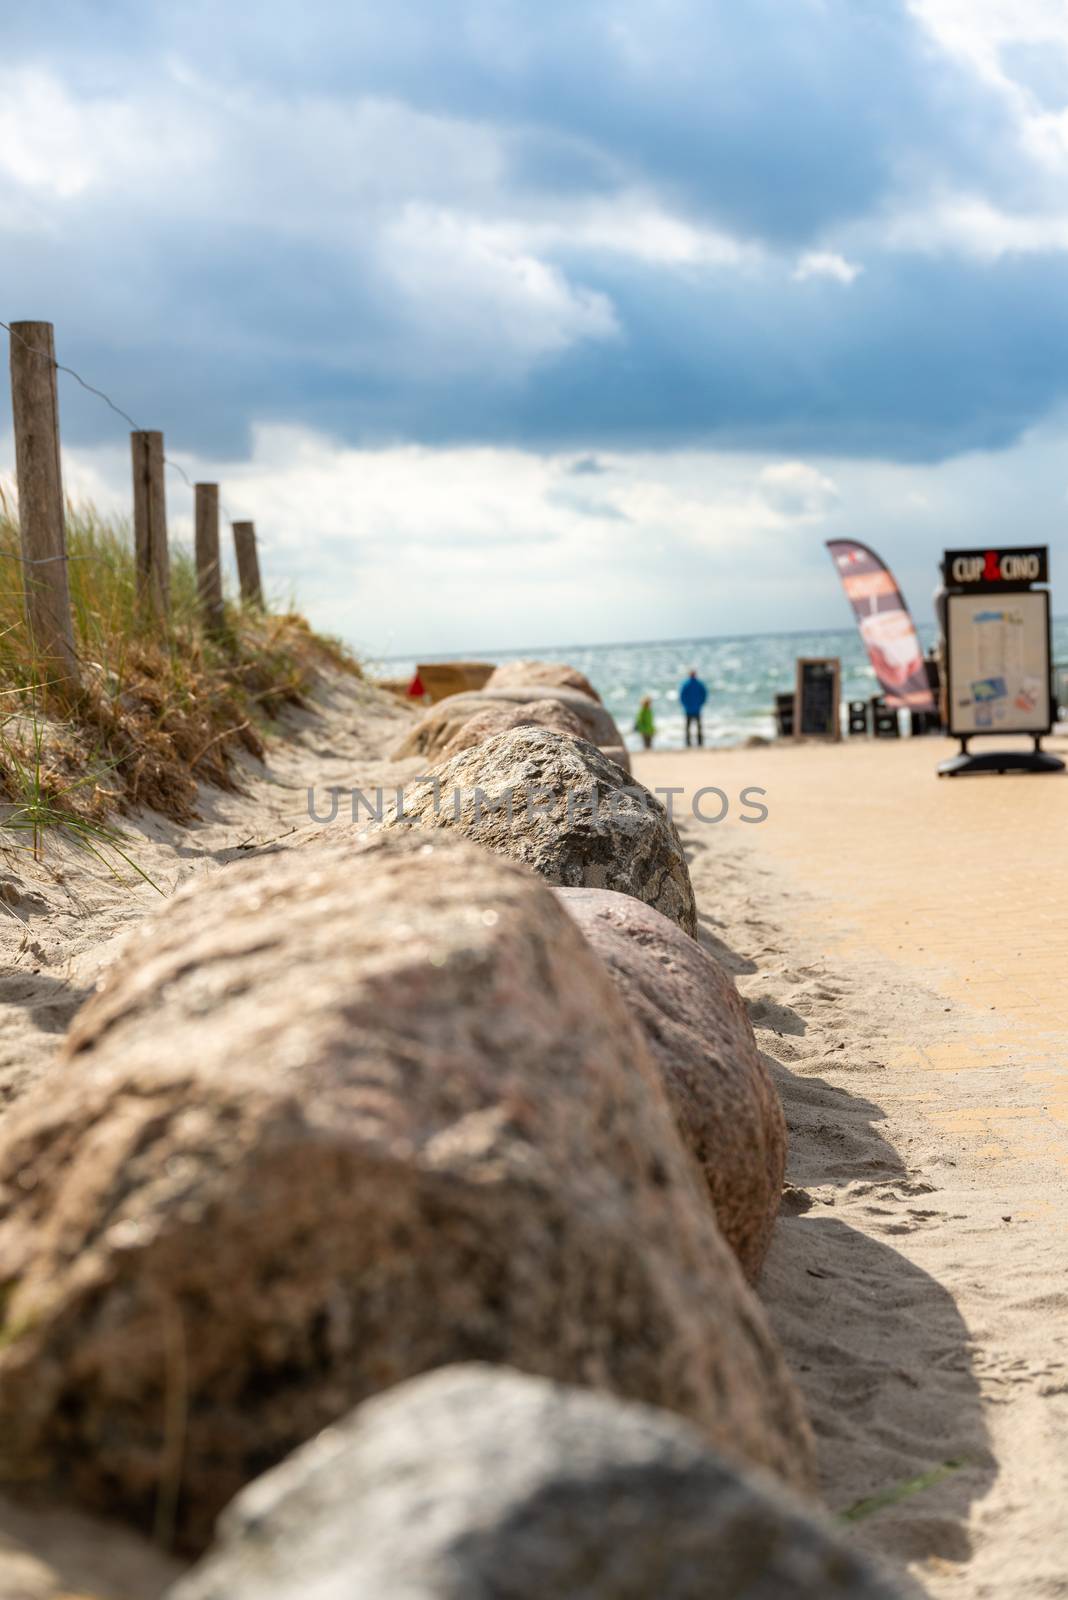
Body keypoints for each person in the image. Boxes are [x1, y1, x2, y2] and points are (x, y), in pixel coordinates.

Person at [679, 668, 708, 746]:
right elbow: (682, 696)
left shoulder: (690, 684)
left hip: (693, 708)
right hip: (692, 709)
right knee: (691, 727)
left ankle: (696, 743)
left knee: (695, 727)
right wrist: (700, 703)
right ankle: (692, 743)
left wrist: (700, 703)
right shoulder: (693, 684)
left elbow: (704, 695)